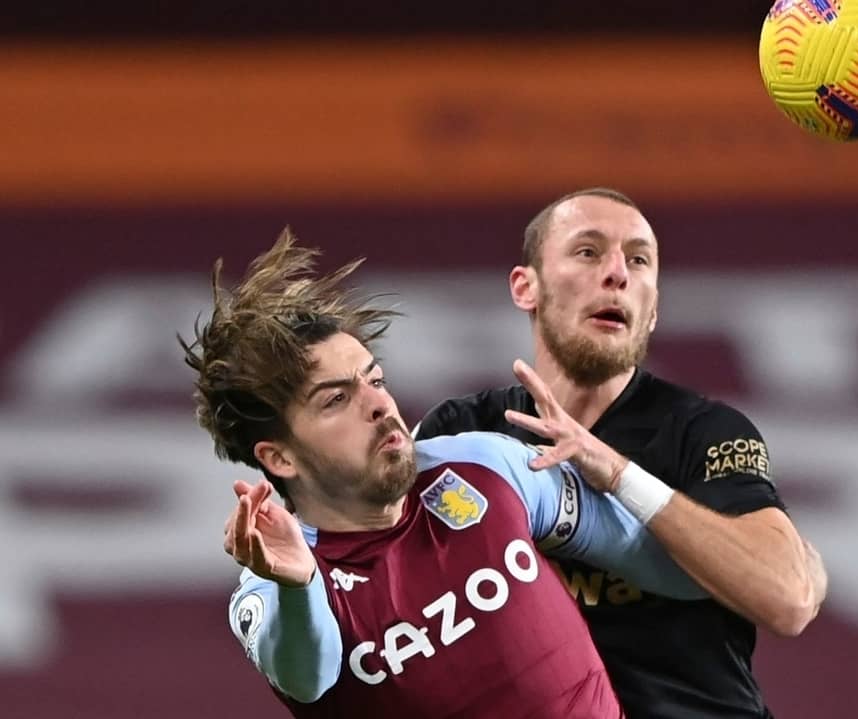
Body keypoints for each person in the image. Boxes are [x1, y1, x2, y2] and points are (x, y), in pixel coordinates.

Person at [182, 230, 709, 719]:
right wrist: (297, 587)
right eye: (337, 399)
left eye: (375, 379)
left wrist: (627, 479)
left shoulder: (481, 465)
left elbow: (661, 562)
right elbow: (305, 676)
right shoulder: (276, 583)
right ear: (280, 459)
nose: (380, 405)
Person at [415, 188, 829, 718]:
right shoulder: (462, 432)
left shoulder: (702, 433)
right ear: (526, 287)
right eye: (588, 252)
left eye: (638, 260)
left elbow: (788, 599)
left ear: (651, 310)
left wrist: (616, 472)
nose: (617, 274)